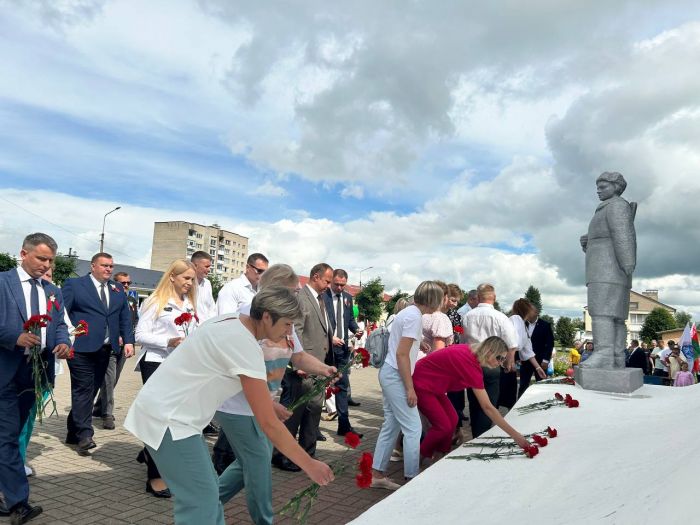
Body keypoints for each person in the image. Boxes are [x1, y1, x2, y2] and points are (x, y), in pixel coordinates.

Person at [123, 287, 334, 525]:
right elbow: (269, 425)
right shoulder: (245, 345)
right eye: (286, 324)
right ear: (266, 316)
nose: (289, 332)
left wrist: (268, 405)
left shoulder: (231, 321)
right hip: (169, 420)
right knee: (201, 502)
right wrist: (309, 464)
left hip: (169, 415)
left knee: (207, 498)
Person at [215, 264, 336, 524]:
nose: (297, 295)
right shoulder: (249, 318)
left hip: (263, 403)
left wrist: (325, 369)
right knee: (258, 467)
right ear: (277, 288)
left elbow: (298, 355)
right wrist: (309, 463)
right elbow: (242, 371)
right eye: (294, 291)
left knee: (246, 465)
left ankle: (204, 506)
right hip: (239, 406)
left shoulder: (284, 318)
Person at [0, 233, 71, 523]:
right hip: (5, 372)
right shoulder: (3, 282)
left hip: (35, 376)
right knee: (6, 437)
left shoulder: (53, 291)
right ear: (23, 253)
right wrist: (12, 337)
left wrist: (65, 342)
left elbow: (61, 324)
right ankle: (19, 503)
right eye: (41, 258)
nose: (46, 265)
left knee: (12, 434)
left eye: (50, 260)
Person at [133, 259, 198, 498]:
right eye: (186, 279)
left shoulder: (190, 303)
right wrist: (167, 341)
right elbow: (140, 334)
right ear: (172, 276)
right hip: (157, 363)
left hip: (182, 368)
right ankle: (154, 476)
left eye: (192, 280)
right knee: (159, 421)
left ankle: (153, 455)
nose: (190, 284)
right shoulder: (155, 301)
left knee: (175, 422)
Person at [371, 281, 443, 490]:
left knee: (392, 425)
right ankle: (412, 478)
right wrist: (410, 388)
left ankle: (377, 473)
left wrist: (418, 342)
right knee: (413, 427)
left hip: (390, 373)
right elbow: (402, 354)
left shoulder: (409, 312)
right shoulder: (414, 316)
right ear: (433, 300)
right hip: (396, 375)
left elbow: (401, 341)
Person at [413, 338, 530, 462]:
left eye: (503, 360)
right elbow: (488, 408)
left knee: (453, 419)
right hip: (421, 383)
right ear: (490, 352)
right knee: (443, 426)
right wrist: (516, 436)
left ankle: (441, 453)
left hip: (434, 384)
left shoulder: (470, 353)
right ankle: (419, 457)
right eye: (500, 358)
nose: (500, 363)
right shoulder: (470, 365)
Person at [62, 252, 135, 455]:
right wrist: (63, 339)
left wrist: (128, 340)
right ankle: (85, 435)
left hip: (105, 349)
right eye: (104, 265)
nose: (108, 269)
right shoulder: (74, 285)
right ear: (93, 266)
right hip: (80, 348)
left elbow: (124, 318)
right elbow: (63, 314)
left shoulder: (117, 288)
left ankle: (72, 431)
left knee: (91, 389)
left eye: (111, 266)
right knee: (83, 389)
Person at [273, 263, 334, 471]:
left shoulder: (321, 299)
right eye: (327, 281)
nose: (328, 286)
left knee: (314, 411)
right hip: (302, 367)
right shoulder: (301, 298)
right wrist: (297, 362)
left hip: (317, 366)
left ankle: (308, 455)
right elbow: (294, 331)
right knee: (294, 414)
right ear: (316, 277)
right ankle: (283, 455)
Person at [580, 172, 636, 369]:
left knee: (602, 312)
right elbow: (610, 234)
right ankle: (616, 356)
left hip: (608, 269)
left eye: (603, 187)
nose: (598, 190)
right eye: (598, 186)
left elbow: (624, 236)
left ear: (616, 187)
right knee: (614, 315)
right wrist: (589, 239)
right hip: (609, 268)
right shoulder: (607, 208)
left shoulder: (617, 206)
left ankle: (604, 352)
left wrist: (628, 263)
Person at [463, 283, 518, 438]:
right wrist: (509, 362)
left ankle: (477, 434)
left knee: (474, 402)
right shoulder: (501, 317)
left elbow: (462, 338)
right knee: (490, 403)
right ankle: (484, 434)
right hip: (492, 362)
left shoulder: (467, 316)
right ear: (493, 297)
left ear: (478, 297)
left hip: (471, 361)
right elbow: (511, 343)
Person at [92, 271, 137, 430]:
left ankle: (98, 407)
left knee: (114, 379)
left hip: (124, 346)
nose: (125, 286)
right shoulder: (109, 299)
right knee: (109, 379)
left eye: (128, 283)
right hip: (109, 345)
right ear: (114, 284)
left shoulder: (131, 300)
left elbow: (132, 321)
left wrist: (129, 341)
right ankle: (107, 413)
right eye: (122, 283)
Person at [323, 268, 363, 436]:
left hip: (342, 350)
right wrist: (330, 337)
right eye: (336, 284)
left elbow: (350, 320)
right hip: (325, 348)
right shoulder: (322, 296)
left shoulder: (347, 297)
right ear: (331, 281)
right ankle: (310, 428)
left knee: (342, 385)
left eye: (342, 285)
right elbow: (317, 322)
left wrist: (356, 330)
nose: (339, 288)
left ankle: (344, 425)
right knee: (320, 387)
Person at [508, 299, 547, 403]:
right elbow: (512, 342)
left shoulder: (523, 324)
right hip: (505, 358)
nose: (534, 311)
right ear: (526, 309)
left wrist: (538, 368)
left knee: (510, 393)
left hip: (509, 360)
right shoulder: (515, 318)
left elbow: (527, 350)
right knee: (503, 392)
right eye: (531, 308)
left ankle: (509, 415)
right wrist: (511, 361)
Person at [517, 303, 552, 398]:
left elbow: (549, 344)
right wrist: (517, 358)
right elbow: (518, 342)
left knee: (541, 383)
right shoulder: (522, 324)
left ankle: (541, 401)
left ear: (536, 312)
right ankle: (520, 402)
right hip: (525, 360)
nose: (527, 312)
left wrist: (546, 360)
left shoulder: (545, 325)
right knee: (523, 384)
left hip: (540, 360)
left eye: (530, 310)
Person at [421, 280, 454, 354]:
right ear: (445, 297)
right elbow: (438, 352)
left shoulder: (421, 314)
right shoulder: (440, 318)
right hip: (428, 362)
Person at [191, 251, 216, 323]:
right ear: (195, 265)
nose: (209, 270)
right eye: (206, 266)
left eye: (210, 267)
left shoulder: (207, 284)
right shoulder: (186, 284)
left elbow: (212, 308)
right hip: (190, 329)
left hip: (206, 328)